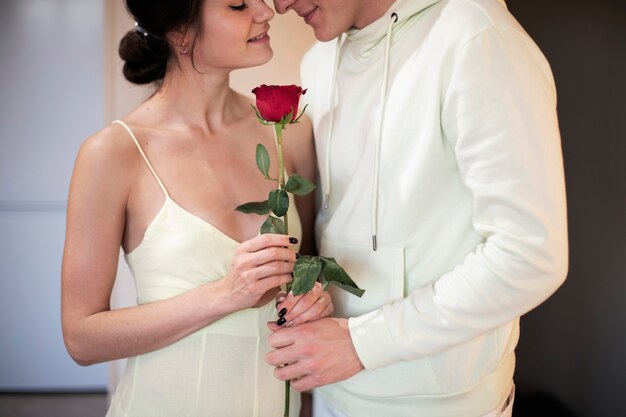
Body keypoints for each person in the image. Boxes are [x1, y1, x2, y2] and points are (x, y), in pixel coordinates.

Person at [265, 0, 569, 416]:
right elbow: (340, 223)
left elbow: (531, 255)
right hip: (332, 391)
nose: (281, 5)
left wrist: (363, 342)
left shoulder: (476, 38)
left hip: (440, 404)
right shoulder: (318, 60)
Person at [61, 1, 330, 415]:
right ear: (180, 31)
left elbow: (308, 269)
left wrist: (314, 297)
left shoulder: (288, 133)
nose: (265, 11)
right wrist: (225, 294)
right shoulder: (113, 154)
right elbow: (81, 338)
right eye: (238, 4)